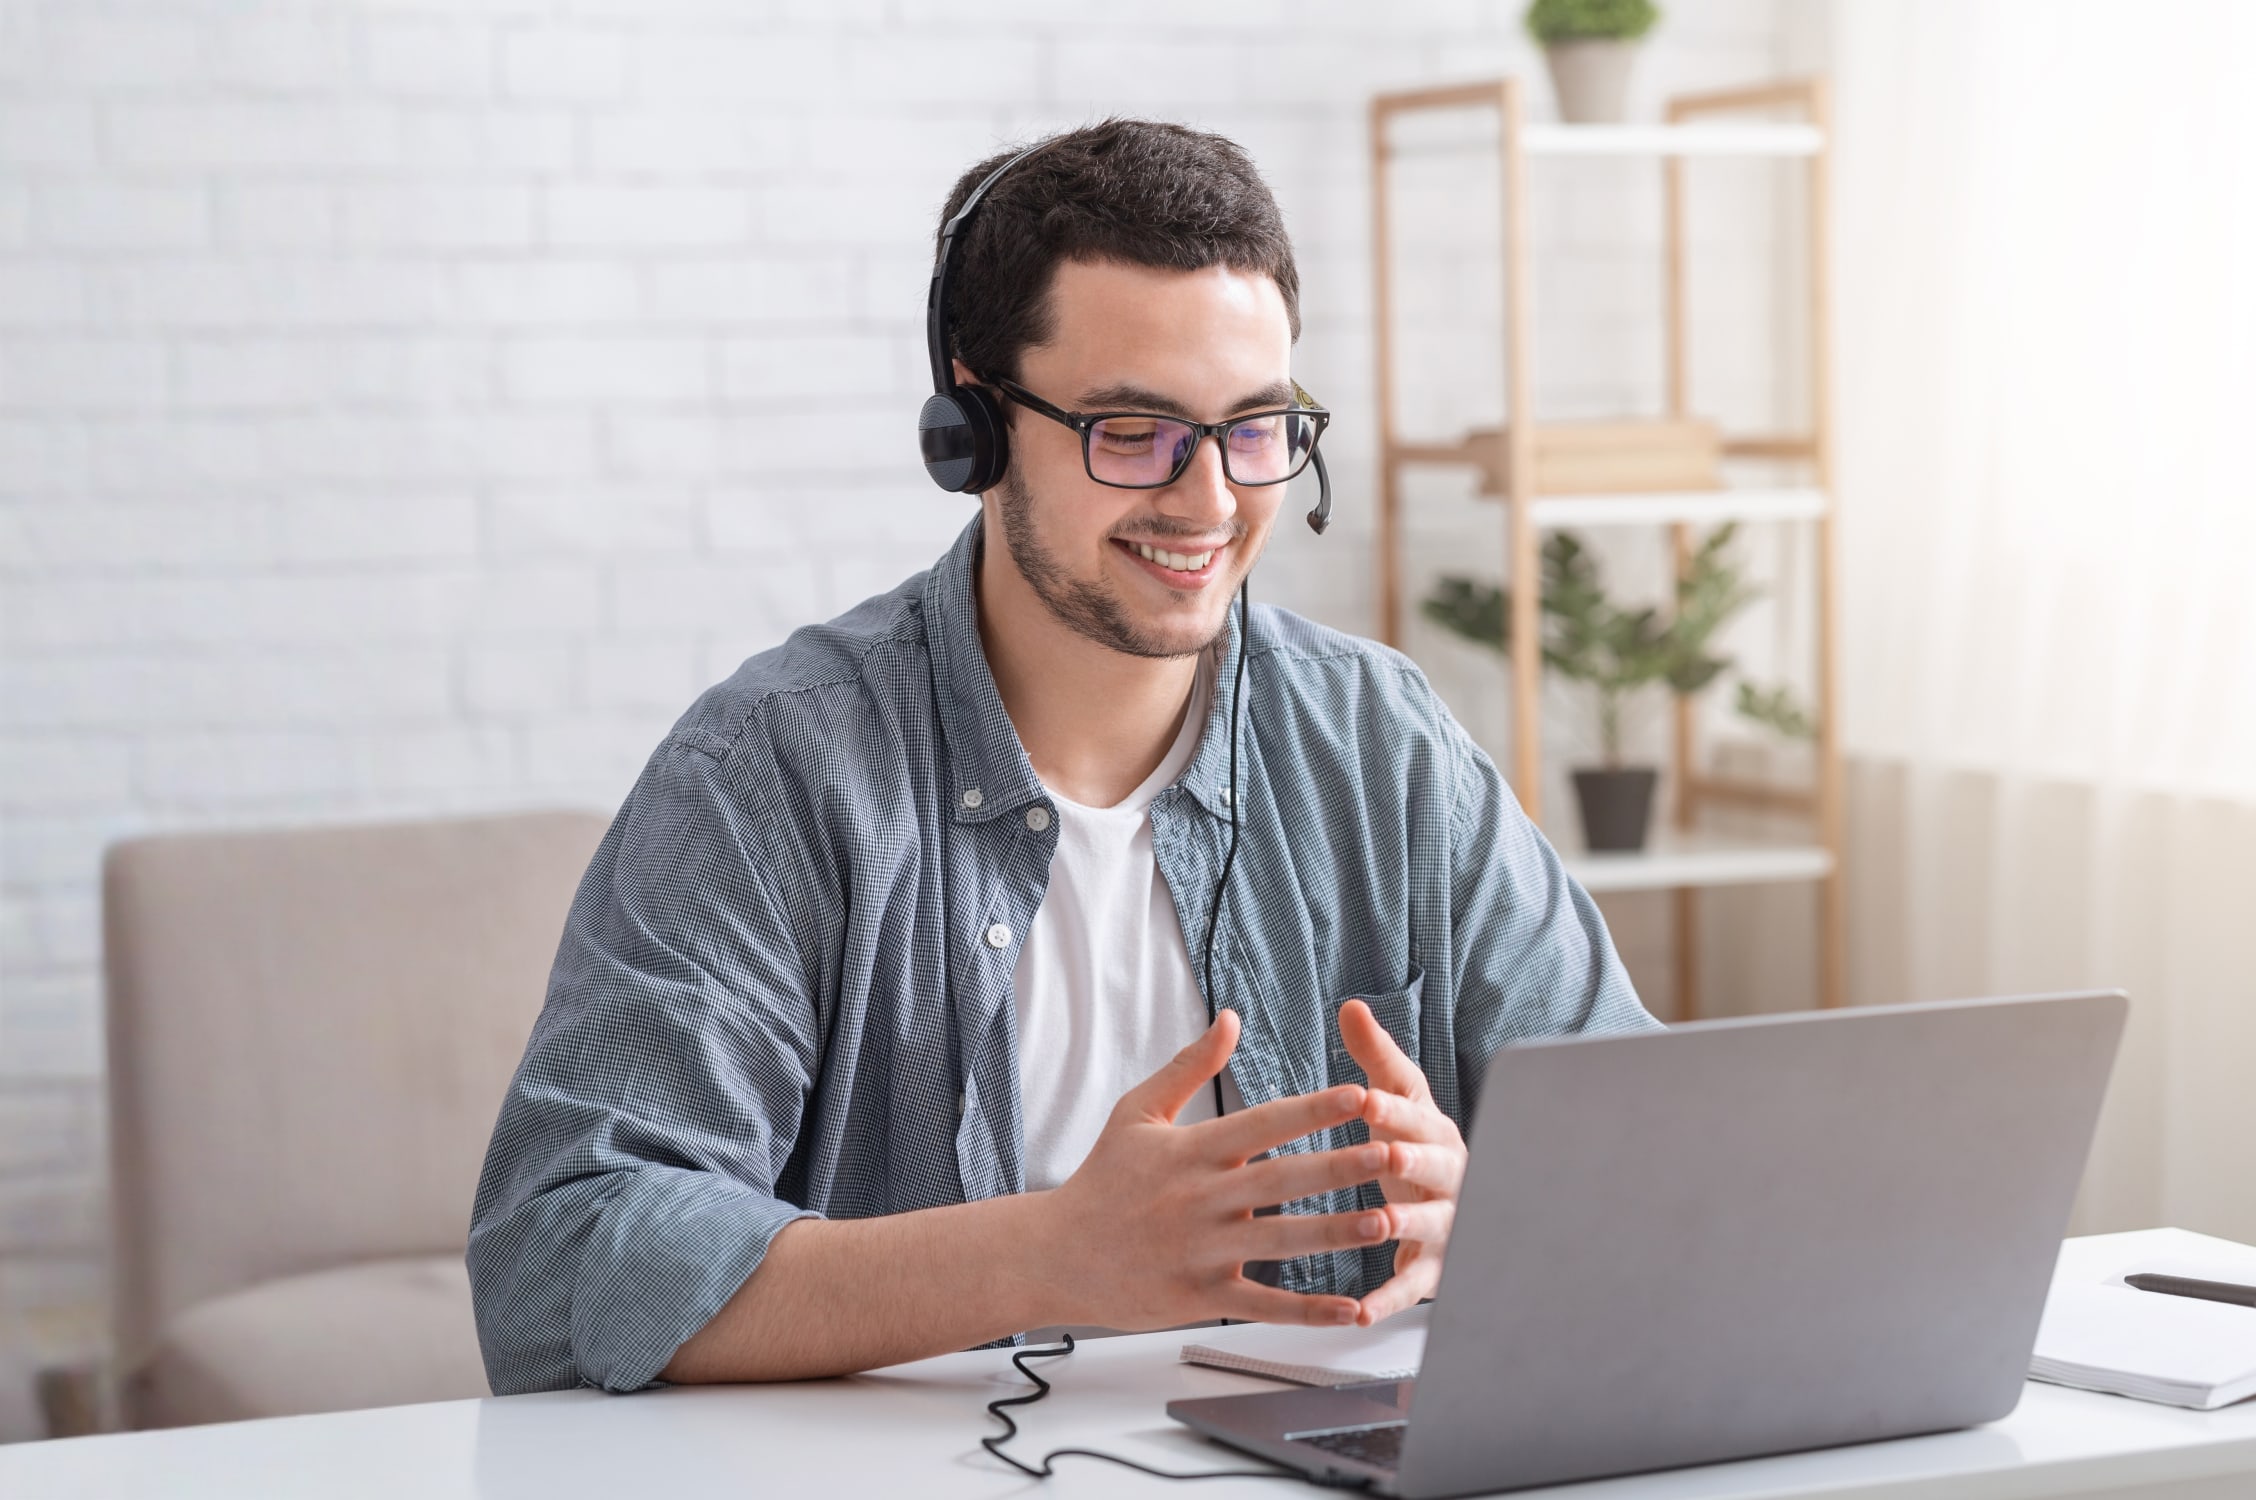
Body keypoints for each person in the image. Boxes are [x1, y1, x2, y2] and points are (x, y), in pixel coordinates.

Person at [466, 119, 1654, 1396]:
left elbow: (1649, 1151)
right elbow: (559, 1259)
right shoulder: (774, 772)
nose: (1208, 503)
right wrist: (1047, 1256)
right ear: (970, 431)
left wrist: (1482, 1213)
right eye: (1133, 431)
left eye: (1256, 430)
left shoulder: (1384, 745)